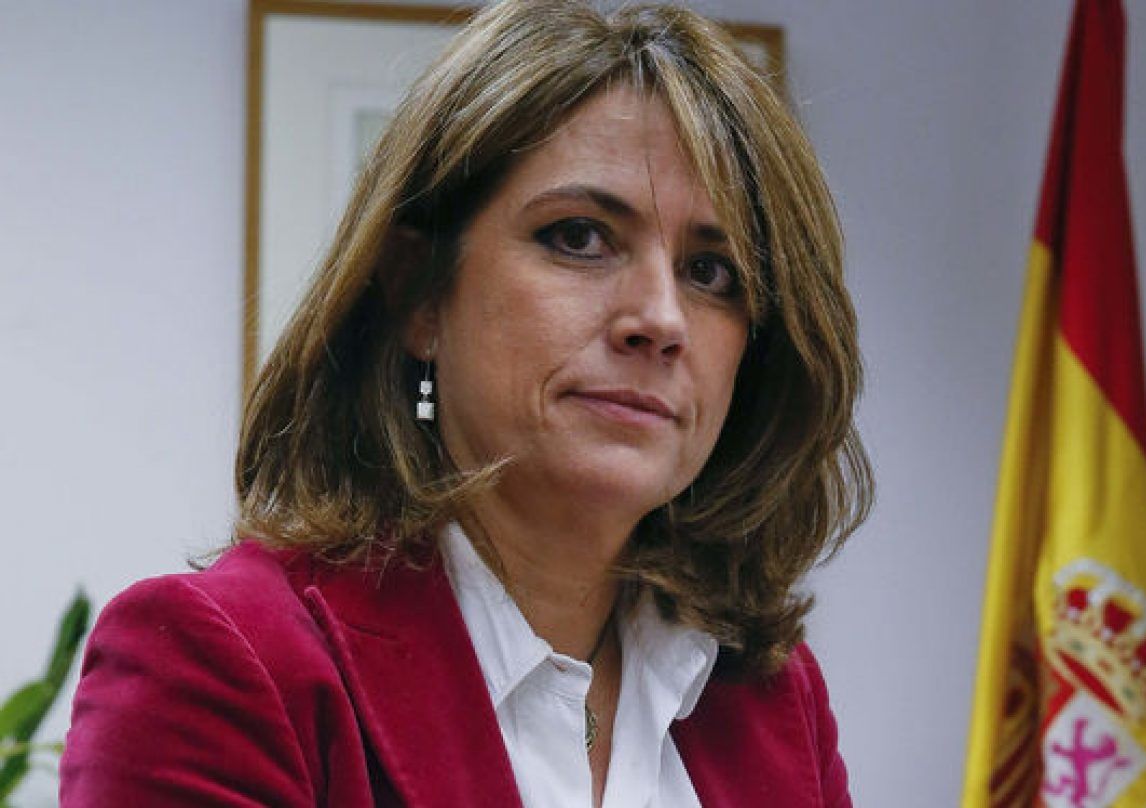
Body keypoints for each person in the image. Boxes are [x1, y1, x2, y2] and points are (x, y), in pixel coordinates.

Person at [60, 1, 872, 805]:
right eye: (580, 237)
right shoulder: (217, 661)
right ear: (420, 294)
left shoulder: (772, 697)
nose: (660, 320)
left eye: (711, 273)